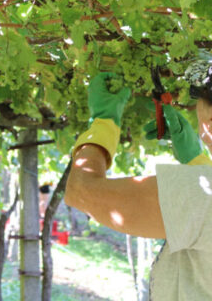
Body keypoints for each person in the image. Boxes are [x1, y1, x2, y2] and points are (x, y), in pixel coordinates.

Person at [65, 66, 212, 300]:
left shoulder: (202, 196)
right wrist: (197, 161)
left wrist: (104, 124)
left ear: (209, 122)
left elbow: (82, 191)